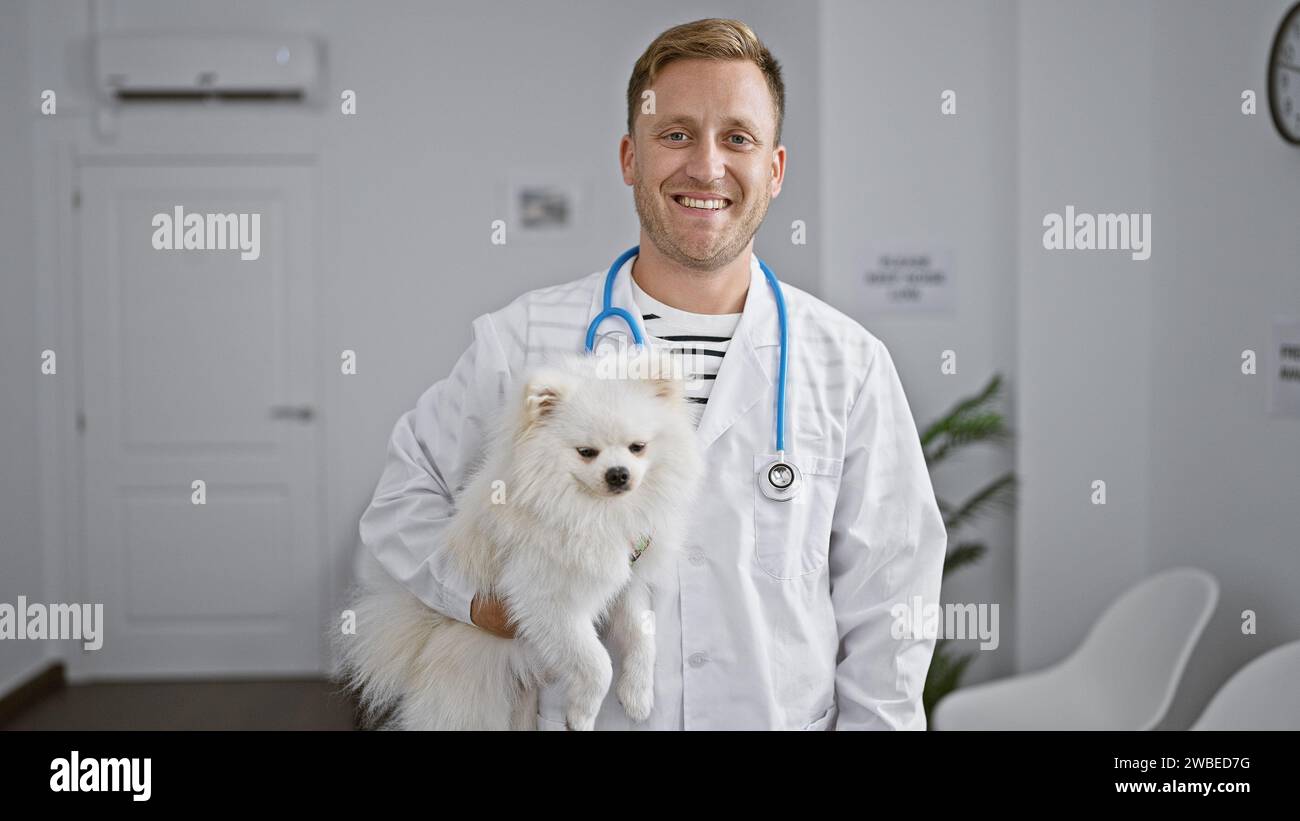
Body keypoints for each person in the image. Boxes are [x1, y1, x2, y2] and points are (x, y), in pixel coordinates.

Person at [358, 17, 947, 730]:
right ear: (630, 157)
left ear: (776, 168)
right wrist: (484, 602)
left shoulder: (848, 365)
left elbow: (893, 599)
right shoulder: (519, 341)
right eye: (675, 134)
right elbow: (400, 502)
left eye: (738, 137)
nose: (705, 166)